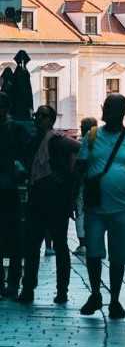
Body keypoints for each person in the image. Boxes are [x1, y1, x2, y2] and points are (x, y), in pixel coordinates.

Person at [76, 94, 125, 320]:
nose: (106, 111)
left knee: (118, 257)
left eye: (111, 108)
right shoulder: (91, 137)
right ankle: (96, 293)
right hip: (95, 207)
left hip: (123, 208)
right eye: (106, 107)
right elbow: (80, 168)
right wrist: (74, 198)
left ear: (121, 112)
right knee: (93, 253)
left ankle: (115, 300)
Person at [19, 106, 80, 304]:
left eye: (43, 116)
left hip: (56, 200)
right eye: (37, 115)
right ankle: (28, 288)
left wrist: (65, 178)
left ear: (51, 119)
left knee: (61, 246)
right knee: (31, 245)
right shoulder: (33, 139)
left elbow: (79, 148)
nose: (38, 119)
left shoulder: (57, 139)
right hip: (37, 197)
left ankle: (62, 291)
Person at [0, 92, 30, 299]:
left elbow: (25, 156)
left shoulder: (16, 129)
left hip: (10, 189)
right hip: (8, 187)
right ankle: (5, 283)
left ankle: (12, 283)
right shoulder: (16, 129)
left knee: (15, 238)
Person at [74, 117, 98, 255]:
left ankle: (83, 244)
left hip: (83, 183)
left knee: (80, 212)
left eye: (82, 126)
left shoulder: (81, 143)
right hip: (98, 184)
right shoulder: (102, 143)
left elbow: (79, 166)